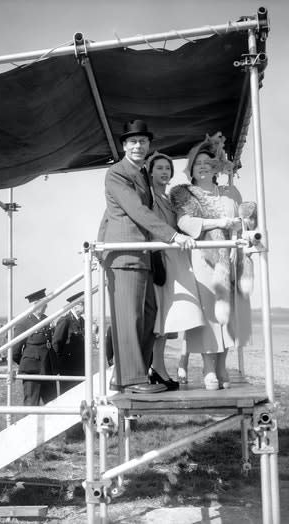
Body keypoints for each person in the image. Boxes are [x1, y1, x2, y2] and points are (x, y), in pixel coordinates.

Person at [97, 119, 195, 394]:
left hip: (143, 255)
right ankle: (130, 379)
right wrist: (173, 236)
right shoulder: (117, 173)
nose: (138, 146)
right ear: (124, 146)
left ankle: (136, 371)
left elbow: (110, 214)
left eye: (143, 141)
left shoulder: (141, 174)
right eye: (132, 142)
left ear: (149, 145)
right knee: (129, 317)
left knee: (150, 315)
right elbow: (135, 210)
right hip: (125, 254)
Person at [170, 133, 253, 390]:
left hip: (229, 257)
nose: (203, 166)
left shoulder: (229, 193)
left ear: (215, 167)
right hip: (203, 258)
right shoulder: (187, 195)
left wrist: (239, 238)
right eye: (198, 163)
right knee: (209, 314)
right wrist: (216, 223)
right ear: (191, 169)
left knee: (229, 315)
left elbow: (242, 222)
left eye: (208, 162)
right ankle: (208, 368)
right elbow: (185, 223)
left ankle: (222, 365)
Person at [146, 152, 209, 391]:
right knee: (161, 318)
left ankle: (158, 367)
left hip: (175, 258)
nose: (164, 172)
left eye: (167, 168)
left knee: (168, 319)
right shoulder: (149, 196)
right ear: (150, 171)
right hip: (160, 258)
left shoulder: (169, 197)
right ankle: (157, 368)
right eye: (159, 168)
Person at [12, 289, 58, 406]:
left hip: (47, 370)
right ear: (37, 304)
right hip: (32, 371)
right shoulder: (24, 323)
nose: (46, 305)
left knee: (52, 404)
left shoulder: (46, 320)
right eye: (44, 303)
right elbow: (15, 351)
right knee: (31, 405)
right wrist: (27, 362)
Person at [52, 291, 86, 394]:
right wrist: (60, 363)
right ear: (75, 306)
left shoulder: (82, 321)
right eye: (83, 304)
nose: (85, 306)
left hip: (80, 366)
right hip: (68, 368)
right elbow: (56, 343)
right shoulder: (65, 321)